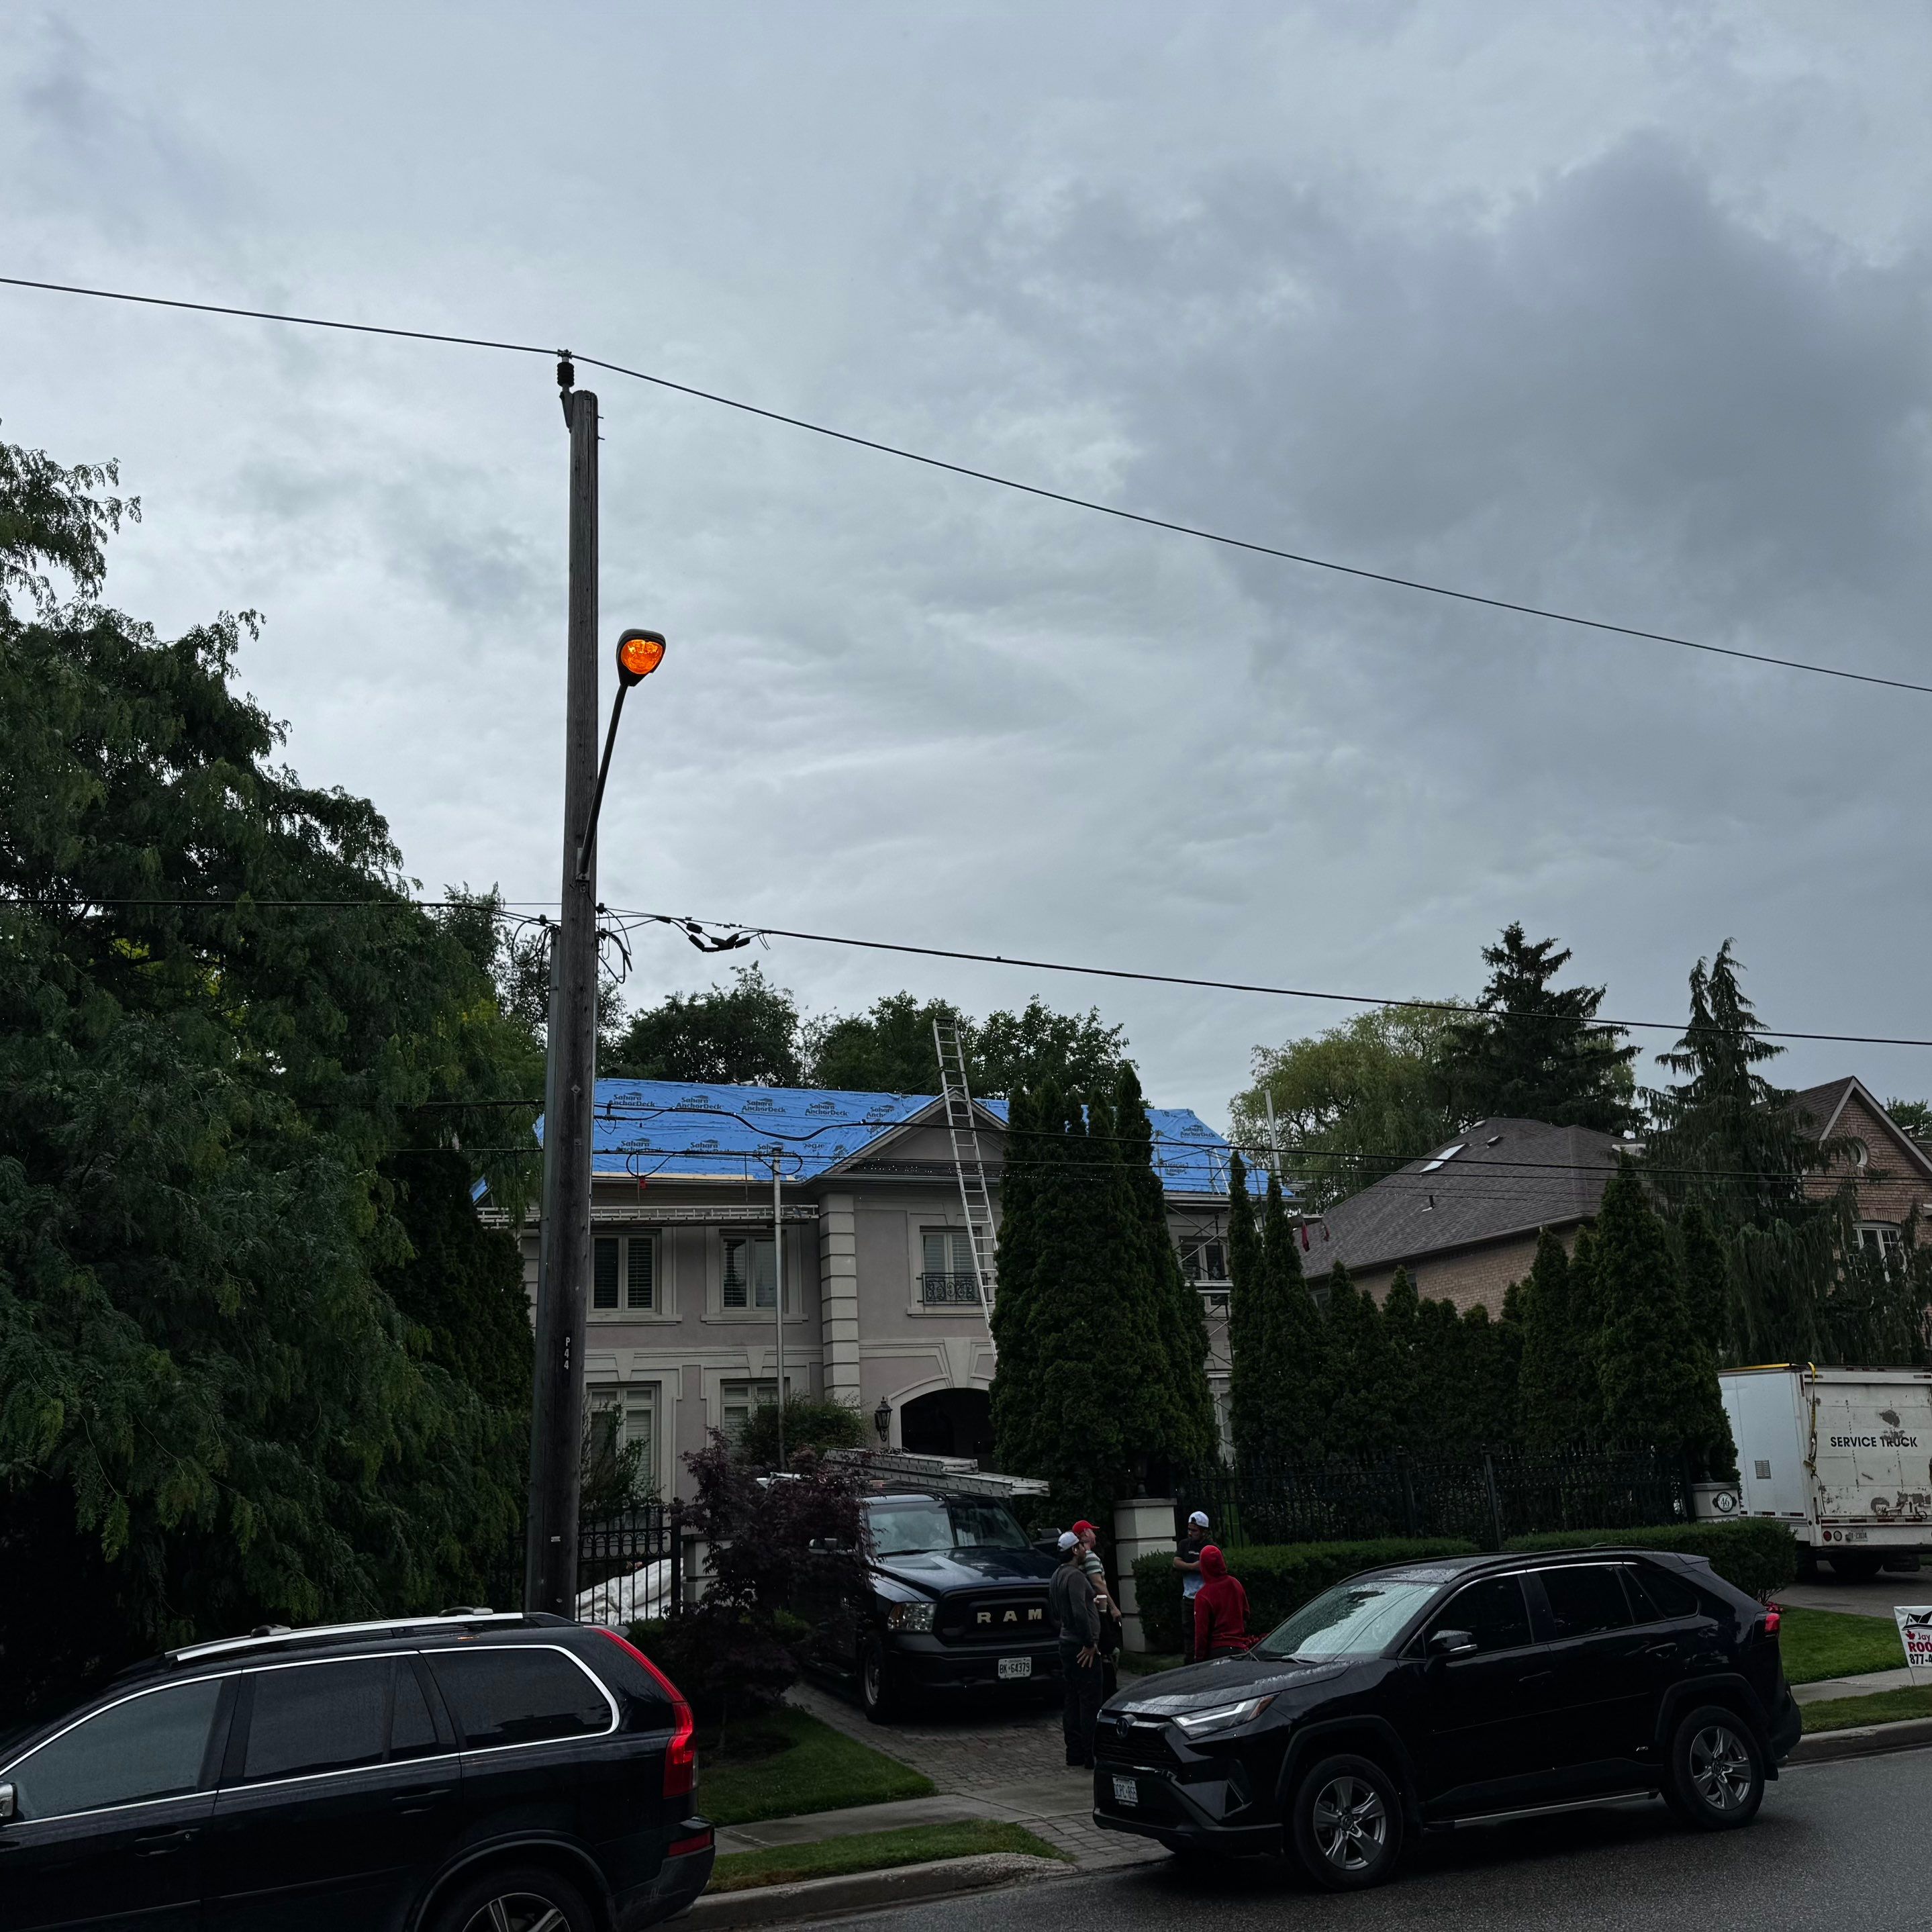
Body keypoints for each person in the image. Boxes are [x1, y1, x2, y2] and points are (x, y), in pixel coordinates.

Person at [1049, 1530, 1104, 1769]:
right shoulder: (1076, 1577)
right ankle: (1088, 1755)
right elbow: (1080, 1612)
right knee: (1089, 1700)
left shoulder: (1056, 1576)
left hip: (1065, 1643)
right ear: (1074, 1550)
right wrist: (1090, 1643)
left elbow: (1055, 1612)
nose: (1084, 1549)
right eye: (1081, 1546)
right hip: (1081, 1647)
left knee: (1071, 1698)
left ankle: (1073, 1753)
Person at [1072, 1520, 1121, 1699]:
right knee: (1110, 1651)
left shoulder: (1079, 1559)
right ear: (1085, 1534)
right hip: (1098, 1611)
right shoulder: (1091, 1557)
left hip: (1091, 1611)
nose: (1095, 1535)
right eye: (1092, 1531)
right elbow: (1098, 1583)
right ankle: (1109, 1691)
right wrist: (1114, 1608)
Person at [1192, 1544, 1251, 1659]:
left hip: (1217, 1651)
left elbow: (1201, 1633)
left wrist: (1199, 1658)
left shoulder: (1203, 1596)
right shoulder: (1235, 1584)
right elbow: (1246, 1614)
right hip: (1239, 1648)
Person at [1173, 1510, 1210, 1663]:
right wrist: (1191, 1566)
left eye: (1194, 1530)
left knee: (1204, 1631)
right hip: (1188, 1597)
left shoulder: (1208, 1547)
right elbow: (1176, 1562)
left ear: (1203, 1531)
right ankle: (1189, 1660)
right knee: (1188, 1630)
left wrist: (1189, 1566)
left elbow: (1205, 1565)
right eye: (1189, 1529)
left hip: (1205, 1597)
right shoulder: (1184, 1545)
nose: (1190, 1533)